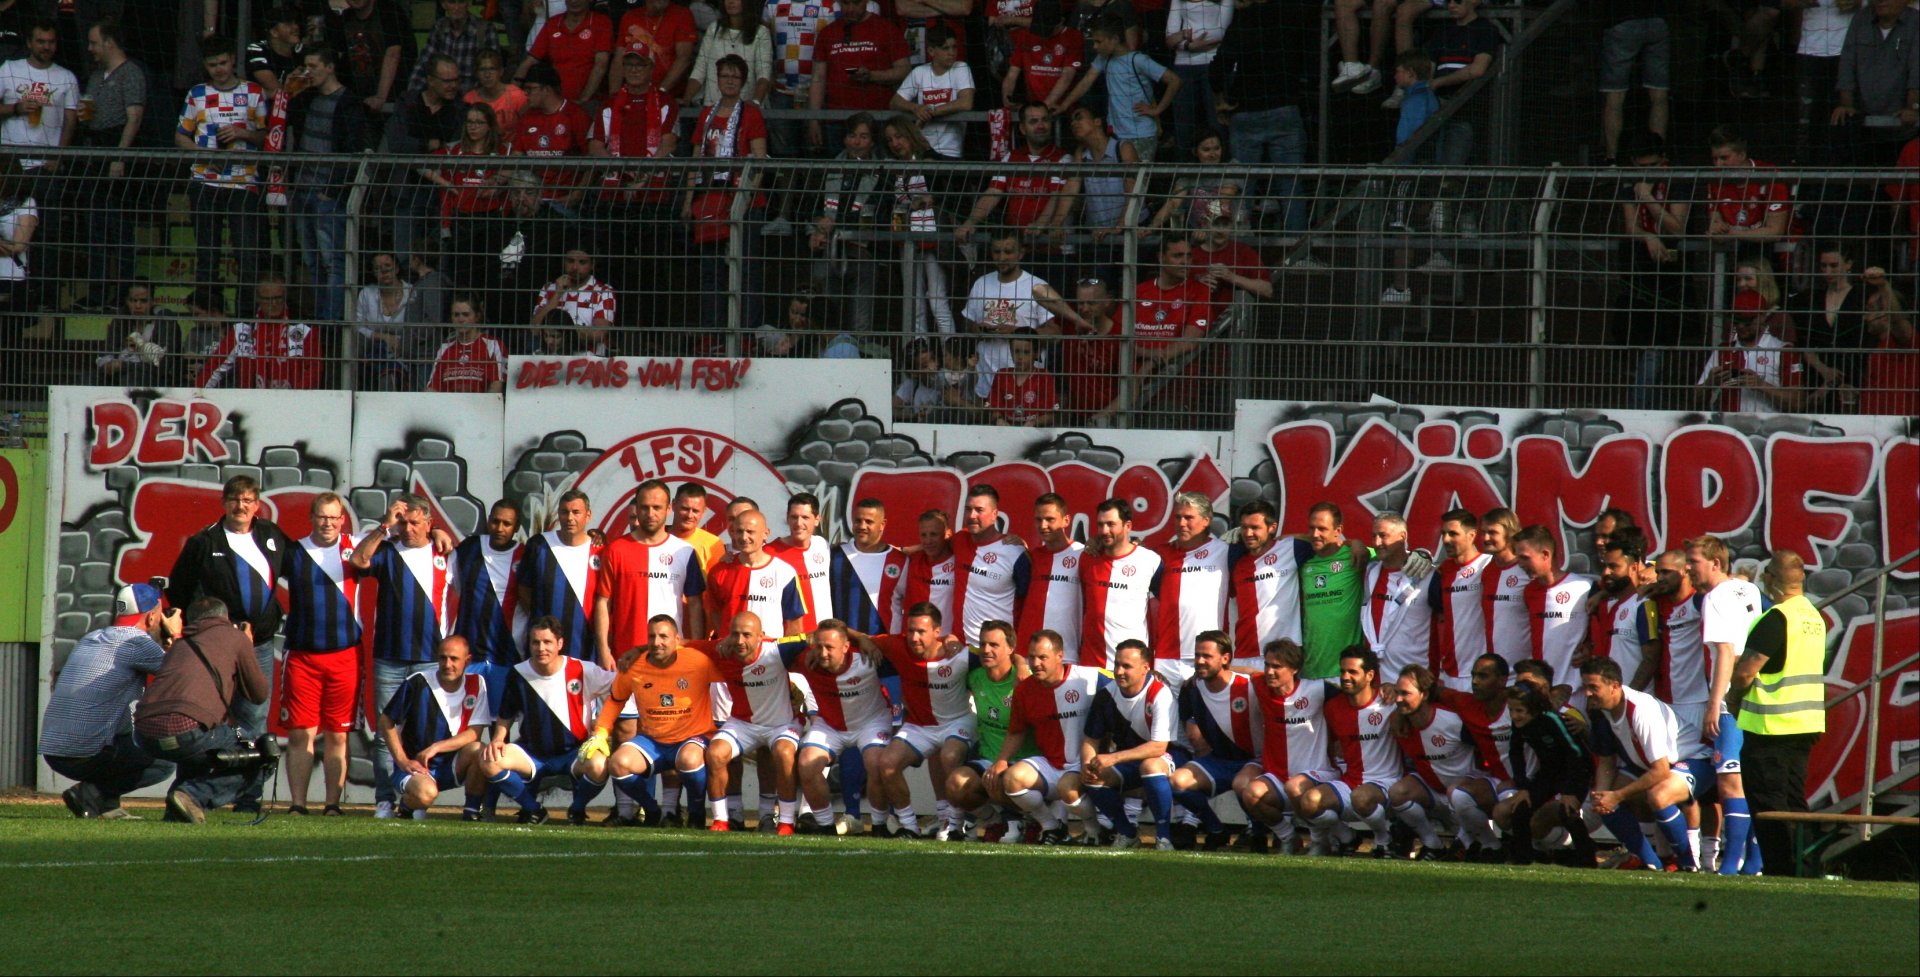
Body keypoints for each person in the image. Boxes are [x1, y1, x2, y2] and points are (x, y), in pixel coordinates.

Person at [163, 475, 293, 813]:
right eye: (235, 500)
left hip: (258, 645)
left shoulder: (271, 536)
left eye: (248, 500)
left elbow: (304, 567)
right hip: (215, 650)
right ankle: (185, 793)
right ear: (224, 503)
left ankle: (248, 799)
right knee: (203, 719)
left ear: (257, 505)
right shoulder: (204, 542)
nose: (241, 506)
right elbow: (178, 591)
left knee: (253, 720)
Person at [348, 494, 460, 818]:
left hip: (429, 659)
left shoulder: (444, 554)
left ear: (428, 523)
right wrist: (385, 526)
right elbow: (358, 560)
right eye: (404, 522)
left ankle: (412, 801)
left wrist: (443, 537)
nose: (408, 528)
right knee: (386, 734)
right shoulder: (387, 550)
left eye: (415, 522)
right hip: (389, 658)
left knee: (421, 733)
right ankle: (384, 799)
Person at [40, 583, 180, 819]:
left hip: (54, 750)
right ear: (152, 617)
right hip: (85, 752)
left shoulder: (92, 637)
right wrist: (175, 635)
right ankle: (92, 792)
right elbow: (182, 672)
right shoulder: (137, 643)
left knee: (121, 725)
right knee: (164, 758)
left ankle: (106, 806)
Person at [131, 597, 273, 824]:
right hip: (186, 729)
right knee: (261, 754)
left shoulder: (180, 644)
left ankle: (177, 811)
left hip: (144, 733)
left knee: (197, 754)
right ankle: (193, 796)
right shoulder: (236, 638)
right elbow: (258, 694)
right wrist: (246, 644)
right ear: (225, 618)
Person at [580, 615, 725, 827]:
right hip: (653, 741)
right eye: (652, 636)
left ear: (677, 639)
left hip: (692, 739)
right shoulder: (634, 666)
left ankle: (696, 814)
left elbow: (733, 674)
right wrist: (601, 732)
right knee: (618, 764)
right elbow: (615, 701)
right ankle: (652, 809)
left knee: (690, 759)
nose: (657, 642)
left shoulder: (698, 661)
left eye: (663, 636)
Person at [1732, 550, 1826, 875]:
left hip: (1771, 726)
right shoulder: (1813, 617)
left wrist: (1733, 699)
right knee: (1794, 802)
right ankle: (1805, 868)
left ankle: (1781, 871)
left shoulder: (1778, 617)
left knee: (1769, 805)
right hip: (1806, 723)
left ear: (1771, 578)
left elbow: (1747, 671)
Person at [276, 493, 365, 816]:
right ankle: (298, 804)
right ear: (311, 518)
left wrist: (438, 531)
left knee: (338, 736)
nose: (328, 523)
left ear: (342, 520)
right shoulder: (294, 551)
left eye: (334, 517)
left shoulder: (356, 548)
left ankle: (332, 804)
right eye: (322, 517)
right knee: (301, 734)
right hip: (302, 656)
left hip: (345, 657)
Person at [480, 615, 617, 823]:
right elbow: (505, 714)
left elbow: (619, 687)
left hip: (574, 753)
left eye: (547, 642)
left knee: (599, 765)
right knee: (489, 760)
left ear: (560, 644)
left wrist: (603, 726)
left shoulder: (582, 669)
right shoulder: (518, 673)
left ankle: (577, 810)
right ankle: (533, 808)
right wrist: (498, 738)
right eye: (536, 642)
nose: (541, 648)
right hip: (532, 753)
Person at [860, 603, 975, 838]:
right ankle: (909, 825)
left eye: (921, 631)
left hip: (957, 721)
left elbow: (1001, 655)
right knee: (887, 764)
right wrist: (862, 640)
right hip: (920, 726)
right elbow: (851, 635)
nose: (914, 637)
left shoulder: (959, 654)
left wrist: (1022, 665)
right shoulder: (898, 645)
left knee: (950, 756)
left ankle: (956, 826)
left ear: (937, 632)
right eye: (911, 630)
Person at [1691, 534, 1767, 875]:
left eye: (1694, 562)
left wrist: (1714, 703)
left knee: (1729, 779)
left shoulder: (1716, 598)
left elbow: (1724, 652)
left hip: (1731, 698)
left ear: (1715, 563)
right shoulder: (1746, 588)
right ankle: (1753, 860)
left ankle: (1733, 861)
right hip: (1756, 694)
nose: (1690, 568)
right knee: (1746, 778)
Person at [174, 35, 267, 309]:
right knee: (207, 254)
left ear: (233, 59)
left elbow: (266, 138)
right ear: (205, 64)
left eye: (223, 63)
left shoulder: (253, 92)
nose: (219, 69)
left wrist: (243, 133)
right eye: (213, 64)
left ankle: (245, 318)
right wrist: (204, 154)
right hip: (205, 181)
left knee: (247, 255)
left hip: (243, 182)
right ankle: (208, 316)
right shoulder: (197, 93)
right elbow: (180, 137)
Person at [1582, 657, 1697, 871]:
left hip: (1692, 760)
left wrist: (1617, 795)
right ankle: (1650, 862)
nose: (1587, 693)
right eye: (1585, 687)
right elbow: (1607, 761)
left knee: (1659, 796)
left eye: (1593, 687)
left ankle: (1688, 863)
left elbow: (1661, 770)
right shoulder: (1600, 711)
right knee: (1603, 800)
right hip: (1649, 766)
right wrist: (1603, 794)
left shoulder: (1640, 710)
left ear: (1615, 686)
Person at [991, 629, 1105, 844]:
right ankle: (1052, 826)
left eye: (1042, 657)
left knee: (1067, 789)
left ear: (1060, 656)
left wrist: (1151, 677)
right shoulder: (1024, 690)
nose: (1035, 663)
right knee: (1011, 779)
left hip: (1084, 764)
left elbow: (1123, 684)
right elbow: (1016, 731)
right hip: (1051, 765)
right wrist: (1001, 761)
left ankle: (1094, 831)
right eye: (1031, 657)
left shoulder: (1089, 677)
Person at [287, 47, 371, 326]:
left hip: (326, 195)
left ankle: (331, 322)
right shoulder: (307, 97)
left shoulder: (348, 102)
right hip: (302, 190)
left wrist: (333, 190)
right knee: (312, 262)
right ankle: (319, 320)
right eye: (305, 65)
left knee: (333, 261)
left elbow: (353, 150)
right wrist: (292, 91)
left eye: (313, 64)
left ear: (330, 66)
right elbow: (289, 123)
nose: (308, 71)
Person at [685, 54, 768, 334]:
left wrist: (744, 201)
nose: (729, 81)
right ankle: (713, 334)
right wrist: (688, 200)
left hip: (743, 203)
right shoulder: (706, 114)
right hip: (709, 201)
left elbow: (759, 161)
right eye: (724, 76)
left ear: (743, 81)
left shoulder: (751, 113)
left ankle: (744, 334)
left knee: (744, 271)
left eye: (735, 76)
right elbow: (696, 159)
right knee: (711, 273)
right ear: (717, 80)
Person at [1386, 663, 1501, 860]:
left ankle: (1492, 846)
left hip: (1469, 793)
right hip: (1436, 792)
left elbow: (1487, 750)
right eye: (1397, 693)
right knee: (1397, 792)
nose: (1398, 699)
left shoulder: (1452, 721)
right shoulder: (1399, 723)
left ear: (1425, 695)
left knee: (1457, 794)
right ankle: (1433, 845)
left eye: (1405, 693)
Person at [702, 612, 804, 830]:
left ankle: (784, 822)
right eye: (735, 635)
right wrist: (637, 651)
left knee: (784, 753)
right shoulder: (722, 650)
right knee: (715, 753)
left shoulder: (777, 649)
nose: (740, 641)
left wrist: (860, 639)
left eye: (747, 635)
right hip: (743, 724)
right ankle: (722, 820)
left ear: (761, 636)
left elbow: (817, 637)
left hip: (781, 724)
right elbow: (680, 644)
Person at [1296, 646, 1403, 855]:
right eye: (1343, 671)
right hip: (1351, 783)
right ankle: (1348, 837)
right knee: (1308, 802)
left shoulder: (1390, 703)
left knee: (1361, 797)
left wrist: (1394, 687)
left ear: (1370, 675)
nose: (1345, 677)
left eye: (1353, 672)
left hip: (1388, 782)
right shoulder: (1333, 707)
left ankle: (1384, 840)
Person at [594, 478, 708, 669]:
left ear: (669, 509)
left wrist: (695, 649)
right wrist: (604, 651)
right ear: (636, 509)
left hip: (672, 656)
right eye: (645, 507)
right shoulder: (616, 549)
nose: (650, 514)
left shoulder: (685, 552)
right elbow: (602, 602)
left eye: (657, 507)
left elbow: (695, 604)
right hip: (625, 656)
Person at [1614, 131, 1691, 410]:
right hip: (1637, 269)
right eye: (1641, 167)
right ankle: (1641, 403)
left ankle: (1643, 407)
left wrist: (1649, 200)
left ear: (1663, 160)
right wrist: (1648, 235)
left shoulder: (1678, 180)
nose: (1646, 173)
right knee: (1636, 341)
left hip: (1669, 270)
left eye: (1652, 167)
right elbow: (1630, 226)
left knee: (1658, 343)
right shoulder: (1627, 181)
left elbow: (1677, 228)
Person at [963, 227, 1084, 400]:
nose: (1002, 257)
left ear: (1021, 253)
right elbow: (967, 324)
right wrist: (980, 329)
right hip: (987, 383)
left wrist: (1017, 332)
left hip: (1028, 387)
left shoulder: (1037, 286)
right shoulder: (981, 284)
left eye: (1008, 251)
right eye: (997, 251)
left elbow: (1055, 333)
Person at [1237, 639, 1334, 854]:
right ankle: (1289, 838)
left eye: (1277, 666)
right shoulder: (1262, 685)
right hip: (1279, 775)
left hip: (1316, 773)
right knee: (1250, 793)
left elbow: (1354, 695)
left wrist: (1386, 690)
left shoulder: (1317, 689)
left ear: (1295, 669)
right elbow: (1247, 673)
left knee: (1295, 787)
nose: (1270, 672)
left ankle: (1320, 841)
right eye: (1267, 665)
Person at [380, 636, 493, 819]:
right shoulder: (418, 682)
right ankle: (407, 805)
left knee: (480, 749)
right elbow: (385, 721)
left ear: (468, 660)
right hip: (415, 766)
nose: (447, 664)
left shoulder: (476, 683)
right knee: (426, 795)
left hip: (448, 766)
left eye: (454, 659)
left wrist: (435, 748)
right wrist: (402, 761)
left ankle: (472, 811)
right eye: (443, 658)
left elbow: (474, 733)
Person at [1168, 631, 1261, 849]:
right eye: (1197, 655)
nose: (1200, 661)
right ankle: (1215, 829)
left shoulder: (1249, 685)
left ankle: (1256, 833)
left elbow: (1268, 679)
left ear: (1226, 658)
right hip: (1219, 760)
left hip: (1254, 760)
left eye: (1207, 656)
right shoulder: (1192, 688)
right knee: (1176, 782)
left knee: (1242, 784)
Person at [76, 16, 144, 311]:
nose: (90, 48)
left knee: (119, 229)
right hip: (94, 150)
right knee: (95, 227)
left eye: (94, 42)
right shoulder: (95, 75)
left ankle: (123, 296)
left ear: (109, 42)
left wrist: (120, 155)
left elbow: (134, 118)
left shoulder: (131, 73)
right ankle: (96, 295)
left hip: (115, 151)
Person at [1081, 639, 1177, 849]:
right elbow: (1091, 738)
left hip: (1168, 758)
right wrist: (1088, 764)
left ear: (1145, 668)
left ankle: (1164, 836)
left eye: (1126, 666)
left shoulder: (1160, 693)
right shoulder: (1106, 694)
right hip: (1130, 761)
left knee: (1150, 766)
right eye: (1116, 664)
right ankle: (1127, 833)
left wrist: (1112, 757)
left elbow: (1159, 747)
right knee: (1093, 775)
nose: (1119, 671)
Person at [1498, 681, 1595, 866]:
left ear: (1533, 709)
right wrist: (1523, 787)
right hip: (1550, 772)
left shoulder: (1552, 719)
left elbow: (1576, 753)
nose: (1514, 716)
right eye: (1511, 710)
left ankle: (1587, 858)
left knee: (1567, 810)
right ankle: (1523, 858)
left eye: (1519, 711)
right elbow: (1515, 752)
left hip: (1577, 771)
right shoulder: (1519, 725)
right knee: (1521, 807)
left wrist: (1569, 791)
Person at [1144, 492, 1235, 686]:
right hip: (1166, 659)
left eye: (1188, 517)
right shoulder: (1158, 555)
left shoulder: (1225, 551)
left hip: (1208, 656)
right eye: (1178, 517)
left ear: (1206, 521)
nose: (1181, 523)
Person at [1057, 19, 1177, 161]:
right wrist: (1064, 105)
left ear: (1114, 39)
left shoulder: (1138, 60)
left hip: (1141, 135)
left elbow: (1174, 80)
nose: (1094, 46)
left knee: (1136, 180)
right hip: (1116, 135)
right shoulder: (1104, 58)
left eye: (1098, 41)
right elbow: (1086, 82)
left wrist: (1156, 110)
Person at [806, 0, 909, 151]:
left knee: (878, 171)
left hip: (877, 118)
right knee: (838, 172)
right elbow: (818, 78)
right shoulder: (828, 33)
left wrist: (872, 76)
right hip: (836, 120)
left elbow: (904, 70)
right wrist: (813, 119)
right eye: (846, 4)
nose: (850, 9)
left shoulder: (886, 29)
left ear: (866, 2)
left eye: (856, 3)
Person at [515, 489, 604, 662]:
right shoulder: (539, 545)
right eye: (564, 512)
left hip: (585, 647)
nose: (570, 518)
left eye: (576, 512)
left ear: (588, 515)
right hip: (544, 648)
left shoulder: (601, 551)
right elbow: (523, 589)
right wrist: (540, 617)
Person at [1510, 524, 1592, 706]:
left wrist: (1590, 647)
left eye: (1525, 558)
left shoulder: (1583, 588)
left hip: (1575, 691)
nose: (1520, 564)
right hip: (1540, 692)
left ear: (1545, 554)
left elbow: (1599, 629)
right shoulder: (1529, 592)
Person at [1832, 0, 1919, 165]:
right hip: (1861, 127)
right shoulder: (1860, 19)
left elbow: (1917, 71)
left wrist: (1912, 107)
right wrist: (1846, 104)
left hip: (1903, 129)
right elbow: (1847, 63)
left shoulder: (1916, 23)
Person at [1227, 499, 1312, 666]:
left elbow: (1325, 541)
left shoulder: (1292, 548)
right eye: (1244, 527)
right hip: (1244, 654)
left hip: (1284, 656)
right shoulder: (1233, 557)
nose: (1248, 533)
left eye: (1255, 528)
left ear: (1272, 527)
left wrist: (1355, 544)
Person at [1080, 497, 1162, 669]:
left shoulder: (1150, 561)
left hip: (1130, 667)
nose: (1104, 530)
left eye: (1111, 524)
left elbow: (1167, 606)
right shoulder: (1087, 558)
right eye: (1100, 524)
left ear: (1128, 526)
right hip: (1091, 665)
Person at [1696, 287, 1805, 413]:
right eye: (1737, 320)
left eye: (1748, 321)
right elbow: (1694, 402)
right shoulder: (1723, 350)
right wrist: (1709, 384)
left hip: (1768, 430)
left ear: (1763, 316)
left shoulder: (1784, 351)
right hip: (1730, 428)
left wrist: (1761, 385)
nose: (1741, 326)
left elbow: (1799, 403)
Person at [1300, 502, 1373, 680]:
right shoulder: (1303, 560)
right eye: (1311, 528)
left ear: (1338, 530)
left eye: (1322, 529)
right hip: (1310, 669)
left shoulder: (1355, 555)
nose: (1315, 534)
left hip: (1346, 671)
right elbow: (1279, 541)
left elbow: (1393, 552)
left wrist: (1355, 543)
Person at [451, 499, 526, 668]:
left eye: (506, 524)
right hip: (469, 654)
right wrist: (435, 532)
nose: (499, 528)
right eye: (495, 521)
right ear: (489, 520)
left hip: (509, 653)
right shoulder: (469, 548)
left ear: (516, 526)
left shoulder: (526, 556)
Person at [1361, 512, 1434, 682]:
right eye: (1374, 536)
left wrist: (1425, 554)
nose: (1377, 543)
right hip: (1377, 682)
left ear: (1403, 536)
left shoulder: (1427, 575)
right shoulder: (1368, 571)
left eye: (1383, 536)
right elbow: (1348, 547)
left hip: (1415, 682)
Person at [510, 63, 592, 212]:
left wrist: (577, 195)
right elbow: (516, 157)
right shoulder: (527, 118)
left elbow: (592, 160)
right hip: (531, 203)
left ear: (546, 89)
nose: (525, 93)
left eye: (530, 88)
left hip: (564, 202)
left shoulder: (575, 115)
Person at [1597, 0, 1668, 163]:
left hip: (1622, 19)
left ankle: (1611, 160)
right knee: (1659, 95)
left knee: (1615, 97)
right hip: (1657, 19)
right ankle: (1659, 157)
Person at [1428, 508, 1490, 692]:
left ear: (1472, 535)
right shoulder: (1443, 570)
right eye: (1443, 534)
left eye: (1453, 534)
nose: (1446, 540)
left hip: (1480, 674)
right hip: (1448, 672)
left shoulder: (1488, 566)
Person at [890, 24, 972, 159]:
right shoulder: (920, 72)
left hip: (950, 150)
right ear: (931, 51)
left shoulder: (961, 67)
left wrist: (930, 112)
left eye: (954, 47)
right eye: (946, 48)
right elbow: (895, 102)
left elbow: (965, 103)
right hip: (921, 147)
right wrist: (915, 108)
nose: (952, 52)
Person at [1705, 124, 1794, 246]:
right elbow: (1715, 225)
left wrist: (1732, 234)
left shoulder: (1770, 175)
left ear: (1742, 155)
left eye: (1724, 158)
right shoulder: (1715, 179)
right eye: (1715, 159)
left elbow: (1775, 232)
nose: (1718, 165)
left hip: (1769, 249)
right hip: (1731, 249)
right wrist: (1715, 231)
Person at [323, 0, 409, 124]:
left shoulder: (389, 13)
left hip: (391, 102)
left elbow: (393, 54)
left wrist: (380, 96)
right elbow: (337, 57)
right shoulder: (344, 19)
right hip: (358, 102)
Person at [352, 251, 421, 390]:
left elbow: (418, 327)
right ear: (373, 273)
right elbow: (358, 326)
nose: (384, 271)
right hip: (372, 351)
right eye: (378, 268)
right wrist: (383, 337)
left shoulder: (412, 292)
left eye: (387, 266)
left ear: (396, 268)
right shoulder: (366, 294)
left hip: (406, 351)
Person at [520, 0, 612, 103]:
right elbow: (530, 60)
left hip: (588, 102)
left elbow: (600, 65)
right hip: (554, 101)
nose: (573, 1)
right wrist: (514, 88)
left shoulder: (601, 22)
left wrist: (583, 100)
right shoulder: (553, 23)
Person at [685, 0, 773, 107]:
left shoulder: (761, 32)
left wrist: (755, 103)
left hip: (746, 109)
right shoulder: (714, 29)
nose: (730, 2)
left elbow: (763, 74)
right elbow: (699, 70)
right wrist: (687, 99)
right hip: (712, 107)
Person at [531, 247, 616, 357]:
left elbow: (598, 334)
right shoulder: (549, 288)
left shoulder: (604, 292)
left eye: (582, 262)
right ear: (564, 261)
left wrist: (562, 328)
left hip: (590, 361)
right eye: (570, 261)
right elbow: (535, 329)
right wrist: (558, 294)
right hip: (550, 361)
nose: (575, 267)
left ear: (592, 265)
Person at [407, 0, 499, 96]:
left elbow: (493, 73)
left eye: (461, 2)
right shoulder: (439, 28)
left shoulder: (485, 30)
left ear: (469, 4)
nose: (456, 7)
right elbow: (423, 64)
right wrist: (412, 95)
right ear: (443, 4)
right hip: (442, 99)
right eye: (452, 2)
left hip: (473, 100)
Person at [95, 281, 179, 388]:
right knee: (89, 378)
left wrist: (124, 366)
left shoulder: (164, 320)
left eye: (143, 301)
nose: (138, 305)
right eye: (133, 300)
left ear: (152, 302)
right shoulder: (121, 318)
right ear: (127, 301)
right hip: (119, 371)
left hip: (154, 377)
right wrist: (107, 365)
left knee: (133, 377)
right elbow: (107, 351)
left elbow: (162, 366)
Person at [1005, 0, 1082, 115]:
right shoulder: (1026, 36)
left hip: (1061, 108)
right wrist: (1007, 100)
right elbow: (1012, 74)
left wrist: (1045, 107)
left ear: (1061, 21)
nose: (1043, 33)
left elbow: (1067, 76)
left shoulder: (1073, 37)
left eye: (1048, 28)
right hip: (1032, 107)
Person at [615, 0, 698, 101]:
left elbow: (684, 58)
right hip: (633, 95)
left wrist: (660, 92)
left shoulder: (682, 14)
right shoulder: (630, 17)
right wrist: (614, 97)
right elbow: (619, 60)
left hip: (669, 96)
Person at [426, 294, 509, 392]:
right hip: (448, 405)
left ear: (477, 317)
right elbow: (432, 388)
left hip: (481, 405)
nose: (460, 319)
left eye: (466, 314)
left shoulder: (493, 345)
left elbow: (496, 385)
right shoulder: (445, 348)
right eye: (456, 315)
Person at [1479, 507, 1528, 668]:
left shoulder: (1527, 570)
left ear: (1510, 533)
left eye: (1492, 532)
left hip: (1522, 670)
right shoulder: (1487, 570)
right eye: (1483, 532)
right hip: (1495, 672)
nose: (1485, 538)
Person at [247, 7, 307, 96]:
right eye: (288, 24)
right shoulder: (257, 49)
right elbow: (276, 92)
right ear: (274, 32)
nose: (296, 27)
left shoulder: (302, 53)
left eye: (295, 23)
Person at [465, 49, 528, 132]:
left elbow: (528, 127)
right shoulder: (469, 99)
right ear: (476, 73)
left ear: (501, 71)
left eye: (492, 69)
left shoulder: (517, 96)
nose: (487, 75)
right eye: (482, 70)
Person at [671, 483, 727, 574]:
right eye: (685, 509)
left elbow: (716, 583)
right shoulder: (656, 538)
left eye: (695, 511)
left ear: (704, 511)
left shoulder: (713, 544)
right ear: (673, 505)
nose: (689, 515)